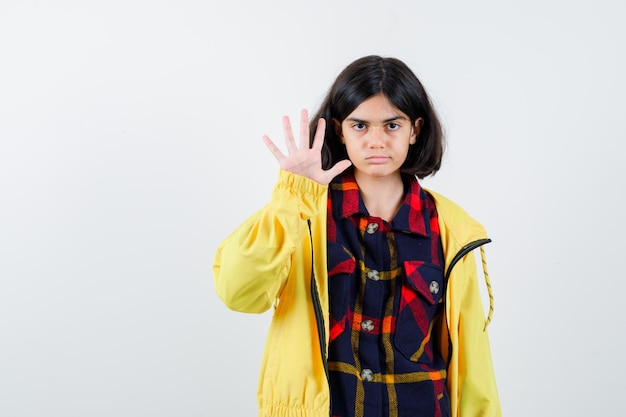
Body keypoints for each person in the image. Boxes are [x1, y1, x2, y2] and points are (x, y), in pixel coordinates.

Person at [213, 55, 501, 417]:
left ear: (415, 129)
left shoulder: (451, 229)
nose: (376, 141)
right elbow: (238, 292)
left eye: (392, 125)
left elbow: (473, 363)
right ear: (339, 131)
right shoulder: (302, 213)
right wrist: (291, 195)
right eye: (360, 126)